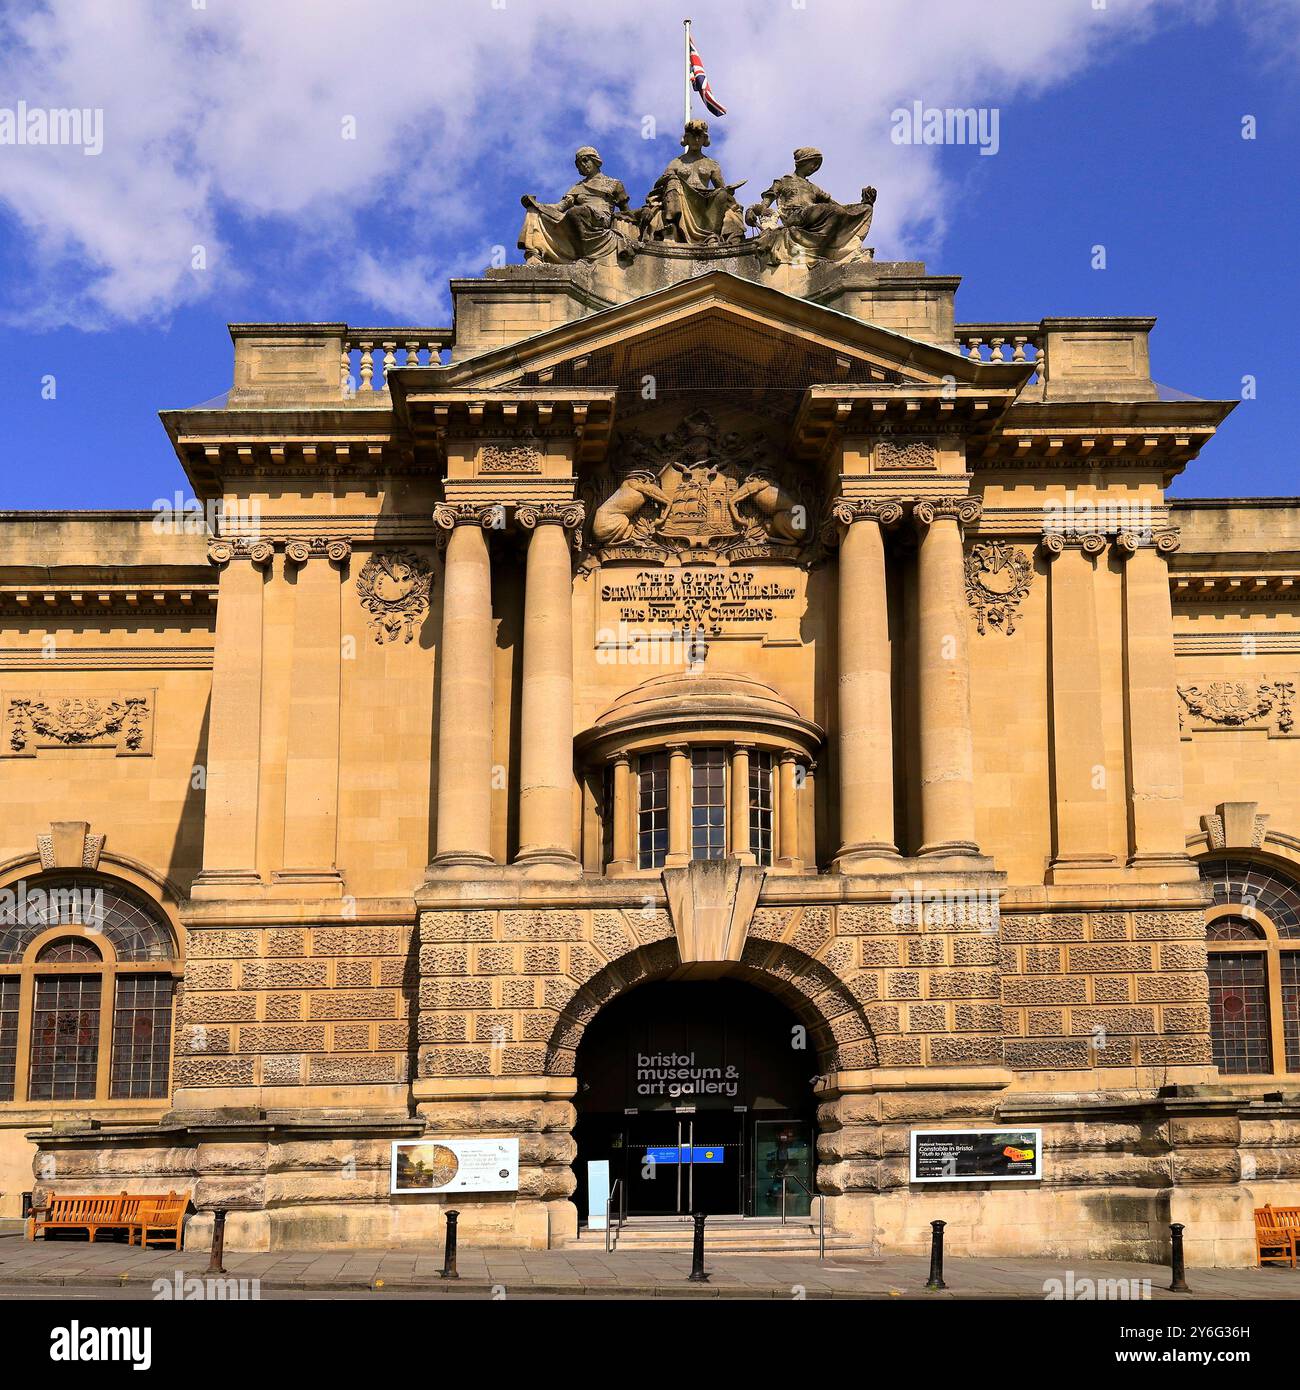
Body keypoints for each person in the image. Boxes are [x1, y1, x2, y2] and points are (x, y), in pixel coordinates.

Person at [747, 147, 876, 267]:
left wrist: (863, 205)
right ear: (803, 162)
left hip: (812, 214)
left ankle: (823, 248)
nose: (814, 168)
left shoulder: (813, 187)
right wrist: (755, 209)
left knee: (854, 210)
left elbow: (836, 206)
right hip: (795, 215)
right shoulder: (784, 181)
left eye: (817, 166)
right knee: (830, 210)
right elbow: (768, 198)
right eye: (813, 163)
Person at [519, 146, 638, 264]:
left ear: (595, 160)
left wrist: (640, 216)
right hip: (578, 217)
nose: (583, 165)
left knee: (576, 211)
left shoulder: (613, 184)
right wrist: (537, 205)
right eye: (579, 164)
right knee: (533, 210)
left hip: (600, 218)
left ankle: (586, 252)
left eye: (585, 160)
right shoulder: (577, 188)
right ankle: (533, 254)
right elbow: (560, 207)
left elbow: (626, 211)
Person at [640, 120, 746, 246]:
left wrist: (728, 191)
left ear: (704, 139)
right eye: (692, 136)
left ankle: (713, 235)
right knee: (673, 181)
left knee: (722, 194)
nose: (696, 140)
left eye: (699, 136)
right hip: (682, 199)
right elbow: (660, 185)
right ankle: (671, 227)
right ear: (686, 138)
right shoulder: (676, 163)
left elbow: (721, 188)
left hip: (704, 201)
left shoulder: (711, 164)